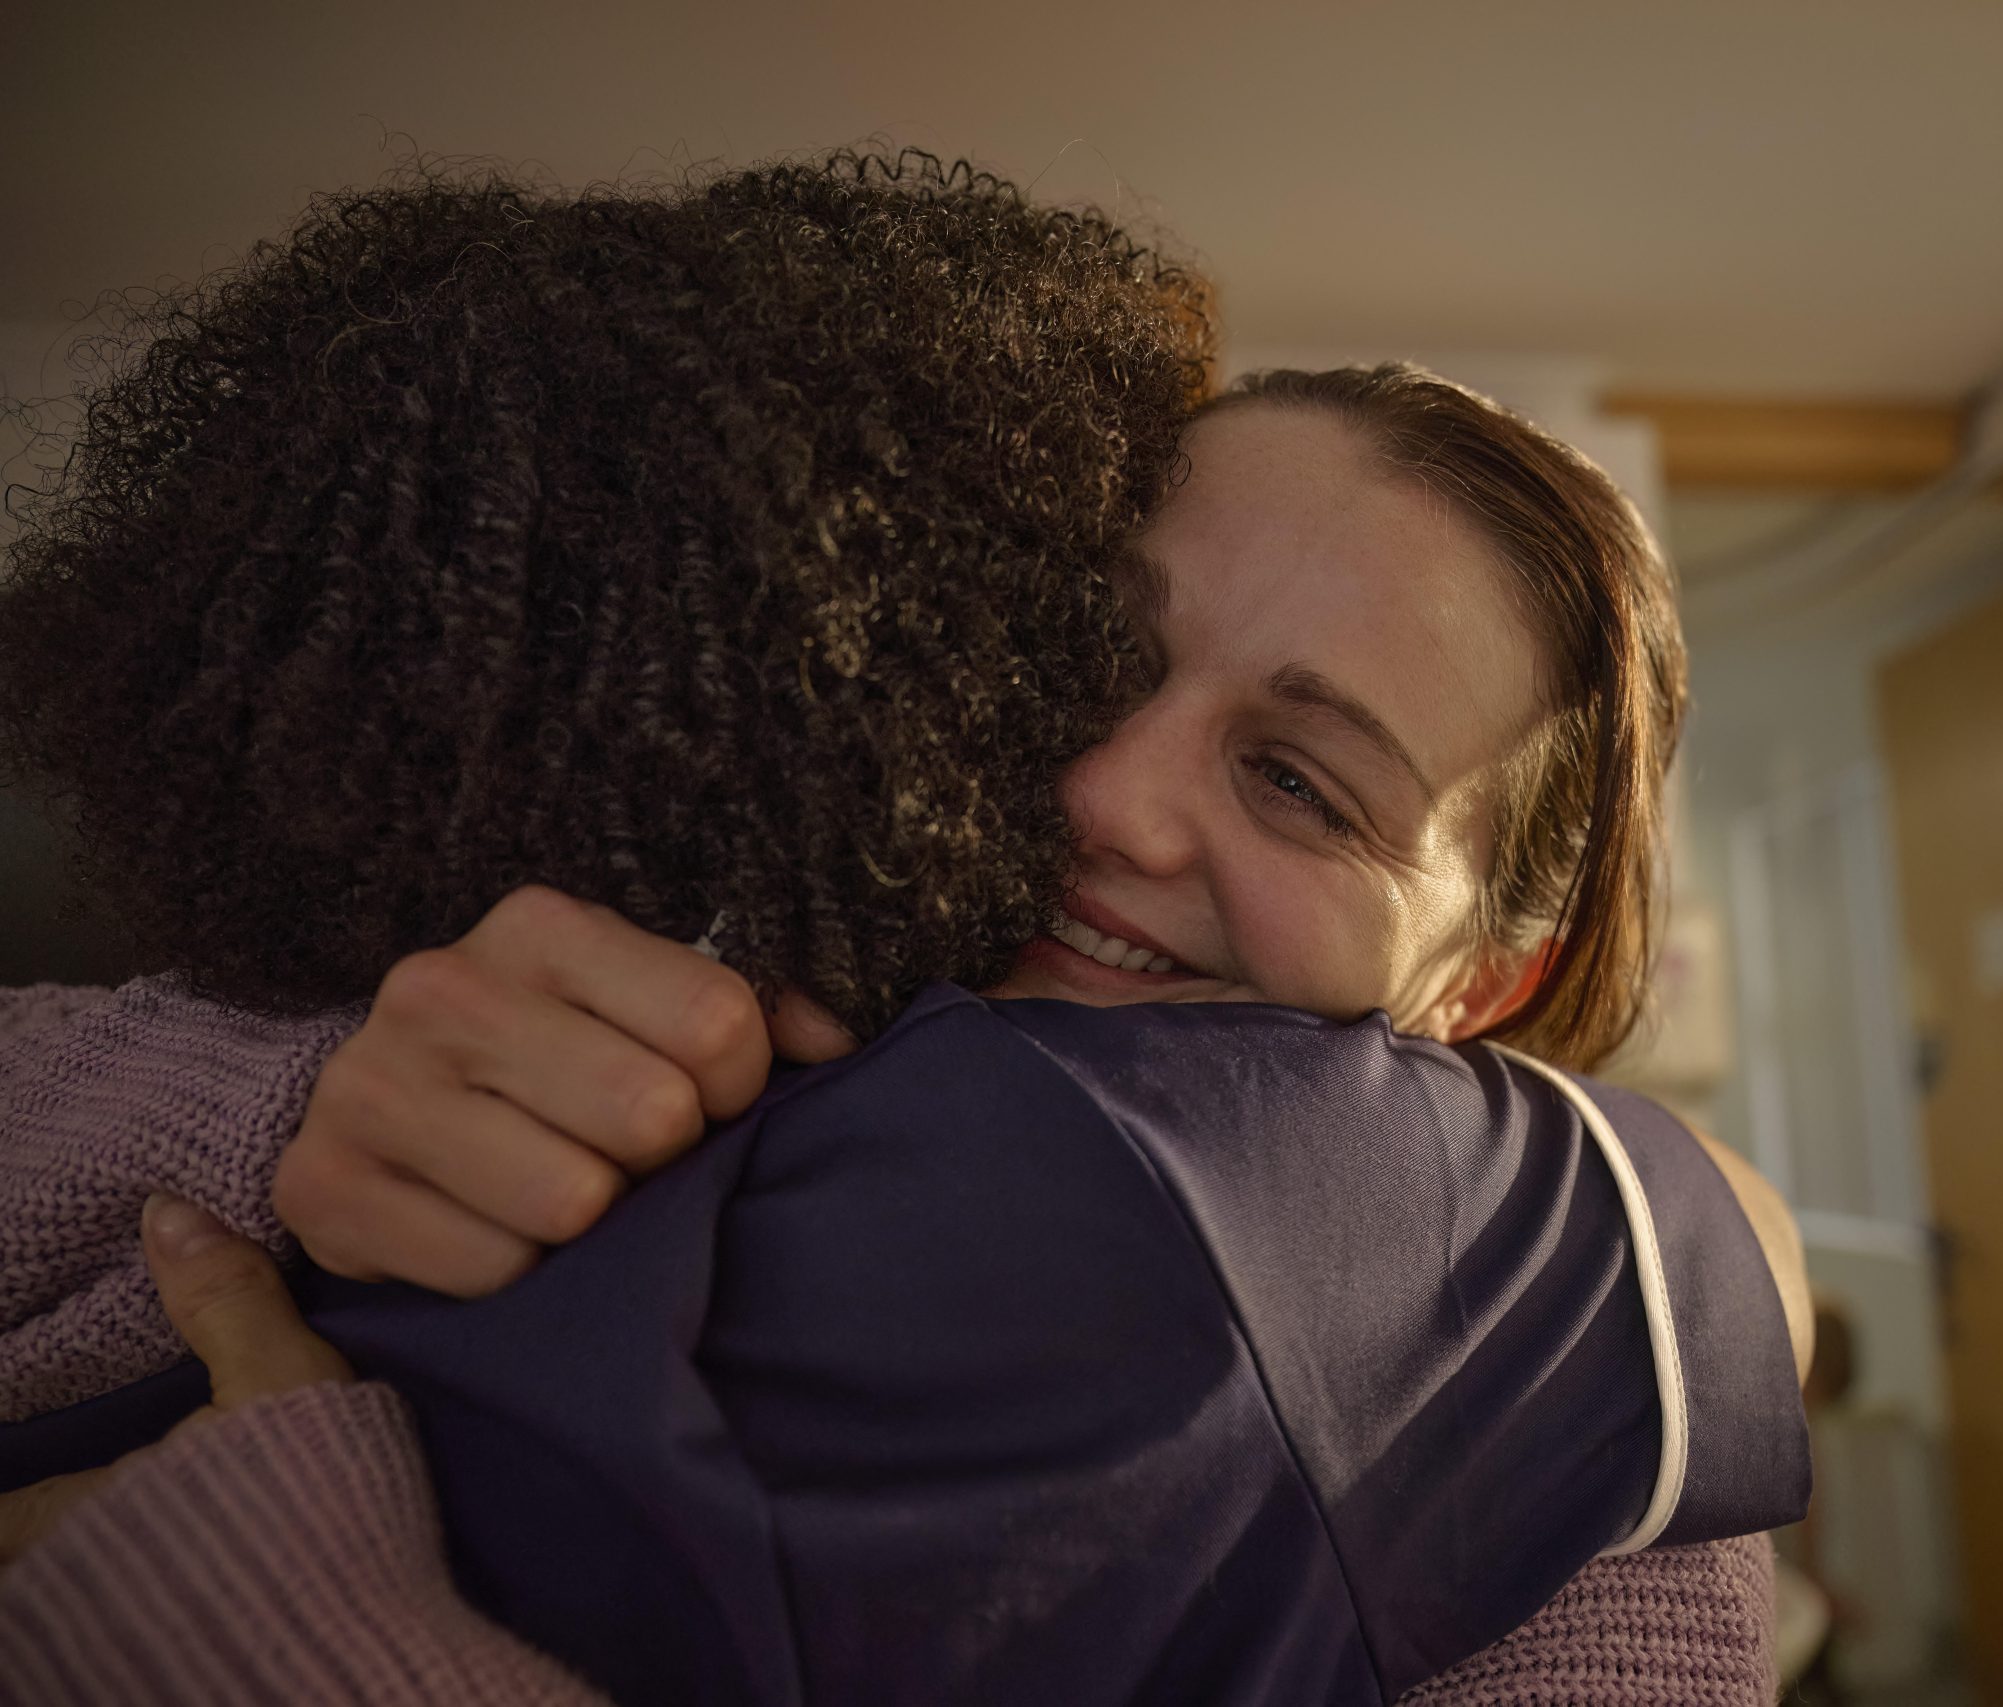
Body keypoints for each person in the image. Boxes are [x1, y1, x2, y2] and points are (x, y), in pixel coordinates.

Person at [0, 153, 1806, 1705]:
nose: (1110, 796)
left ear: (1484, 979)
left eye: (1301, 786)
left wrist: (265, 1618)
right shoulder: (660, 876)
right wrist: (311, 1100)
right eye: (1094, 655)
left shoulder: (1592, 1511)